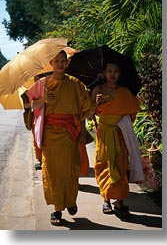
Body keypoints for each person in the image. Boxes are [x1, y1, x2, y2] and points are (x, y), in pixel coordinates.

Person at [28, 50, 92, 226]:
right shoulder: (42, 83)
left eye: (64, 61)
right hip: (50, 135)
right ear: (51, 62)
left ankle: (70, 200)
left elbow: (85, 109)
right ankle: (57, 209)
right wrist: (43, 101)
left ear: (67, 63)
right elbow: (31, 105)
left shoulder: (76, 84)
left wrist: (84, 131)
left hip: (69, 133)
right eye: (57, 61)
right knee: (53, 172)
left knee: (71, 170)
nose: (61, 64)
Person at [91, 61, 144, 219]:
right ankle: (106, 200)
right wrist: (97, 103)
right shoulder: (98, 90)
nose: (112, 74)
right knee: (104, 166)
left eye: (115, 71)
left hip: (120, 133)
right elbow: (89, 112)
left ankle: (119, 202)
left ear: (119, 74)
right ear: (104, 73)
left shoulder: (125, 92)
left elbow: (132, 111)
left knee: (120, 166)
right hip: (104, 133)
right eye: (109, 71)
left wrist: (121, 123)